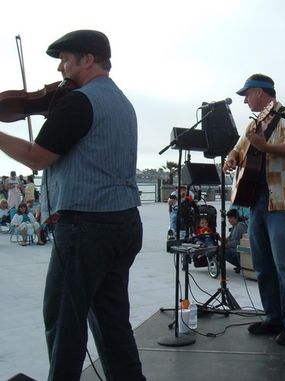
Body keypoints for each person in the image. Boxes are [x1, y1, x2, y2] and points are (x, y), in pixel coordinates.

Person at [0, 30, 146, 381]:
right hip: (124, 222)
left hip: (87, 226)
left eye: (66, 59)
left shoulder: (80, 102)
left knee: (64, 320)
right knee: (112, 321)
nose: (61, 68)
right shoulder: (122, 102)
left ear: (89, 59)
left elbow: (37, 158)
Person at [223, 73, 285, 345]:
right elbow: (237, 150)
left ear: (260, 92)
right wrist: (232, 158)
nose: (246, 101)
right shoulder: (253, 125)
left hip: (282, 201)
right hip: (257, 201)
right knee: (262, 266)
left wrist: (265, 146)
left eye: (247, 95)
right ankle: (273, 318)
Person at [225, 208, 247, 273]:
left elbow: (238, 242)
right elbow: (229, 238)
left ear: (236, 218)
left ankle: (240, 264)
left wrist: (226, 245)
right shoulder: (235, 226)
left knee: (223, 252)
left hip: (240, 250)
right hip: (235, 248)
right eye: (228, 218)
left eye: (231, 218)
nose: (229, 220)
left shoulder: (240, 226)